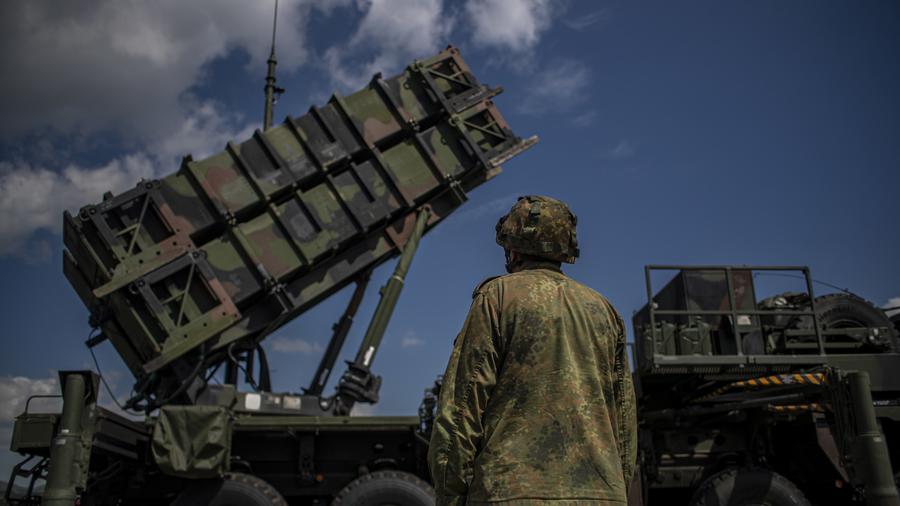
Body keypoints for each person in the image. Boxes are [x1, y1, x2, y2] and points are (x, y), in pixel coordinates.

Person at [428, 195, 637, 505]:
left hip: (511, 493)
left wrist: (450, 491)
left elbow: (462, 407)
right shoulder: (605, 310)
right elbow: (624, 419)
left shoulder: (497, 297)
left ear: (512, 248)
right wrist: (615, 489)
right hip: (601, 496)